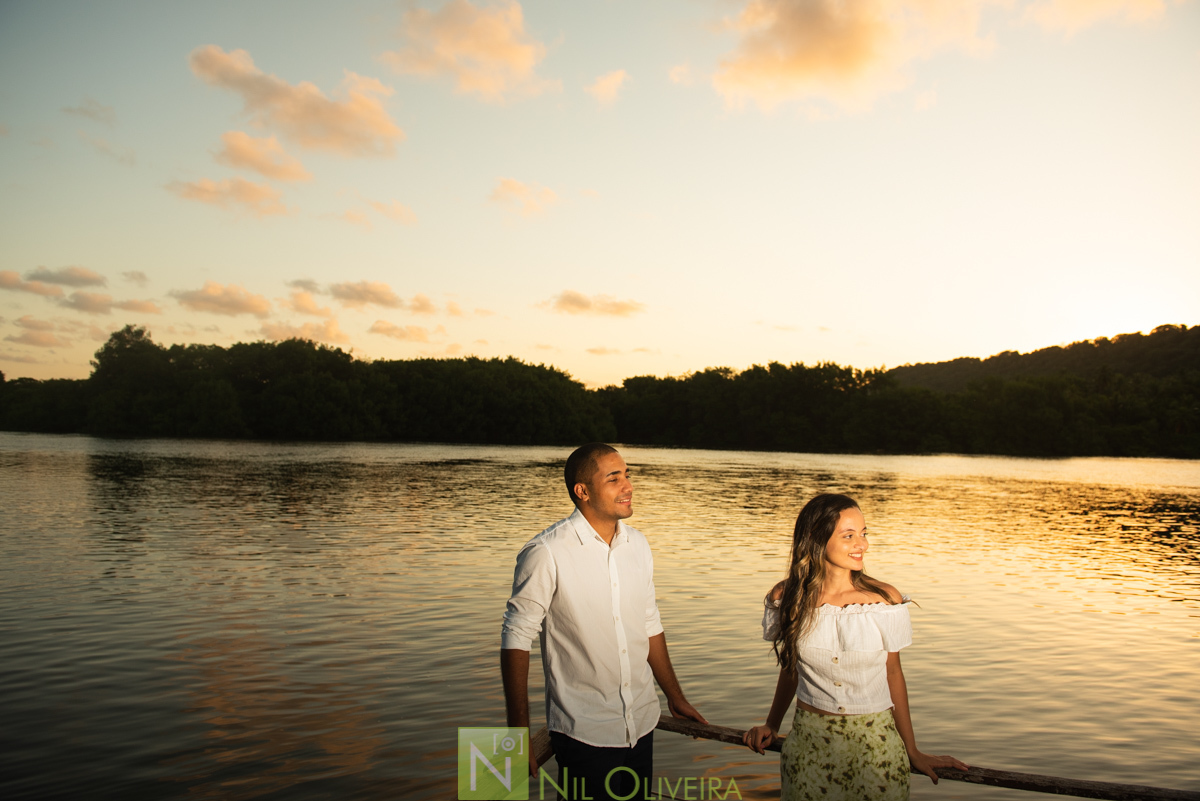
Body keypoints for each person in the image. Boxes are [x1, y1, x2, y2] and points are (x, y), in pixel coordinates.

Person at [501, 443, 707, 801]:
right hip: (584, 733)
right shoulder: (546, 552)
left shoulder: (638, 545)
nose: (627, 485)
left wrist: (675, 696)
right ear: (583, 492)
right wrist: (517, 734)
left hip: (642, 724)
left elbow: (649, 623)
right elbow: (516, 638)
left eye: (627, 475)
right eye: (614, 478)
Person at [743, 493, 967, 800]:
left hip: (876, 751)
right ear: (815, 538)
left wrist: (911, 749)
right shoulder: (788, 598)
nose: (862, 545)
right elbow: (790, 669)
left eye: (863, 534)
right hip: (809, 748)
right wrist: (771, 723)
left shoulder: (883, 601)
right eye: (849, 536)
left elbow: (893, 674)